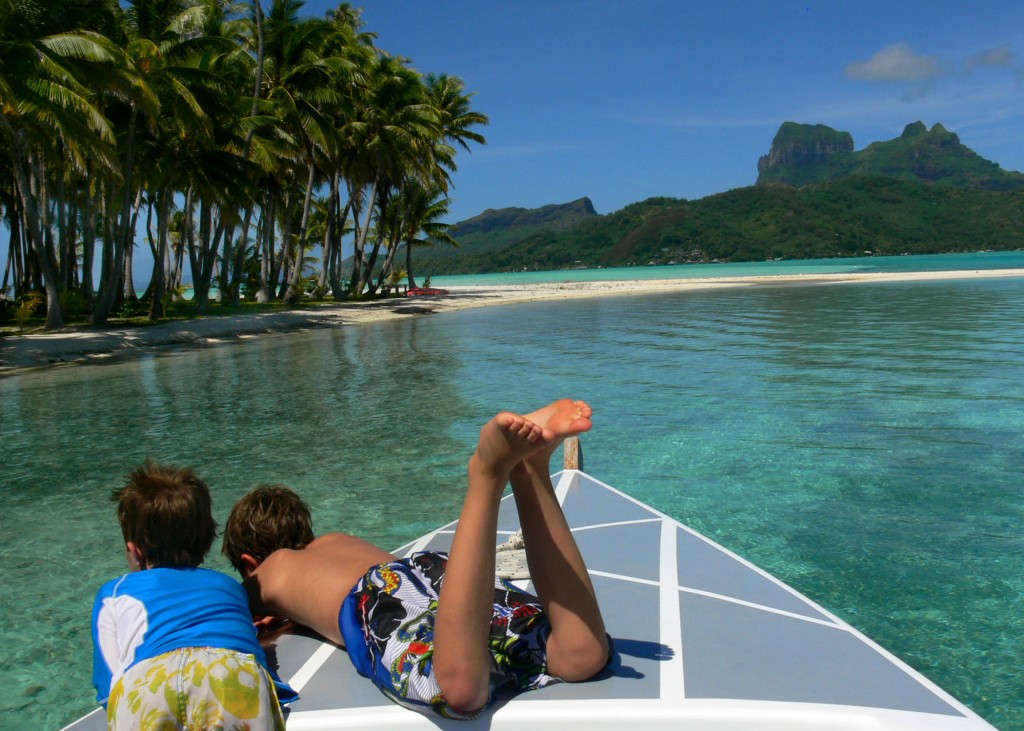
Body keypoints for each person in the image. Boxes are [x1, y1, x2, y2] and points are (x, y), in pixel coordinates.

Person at [222, 398, 611, 720]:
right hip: (428, 571)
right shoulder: (335, 541)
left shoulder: (270, 573)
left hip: (378, 599)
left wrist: (257, 613)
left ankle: (487, 475)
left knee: (458, 688)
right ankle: (529, 471)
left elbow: (211, 609)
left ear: (248, 561)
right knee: (581, 654)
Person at [91, 461, 297, 731]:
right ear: (207, 542)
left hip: (151, 681)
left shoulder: (113, 593)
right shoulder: (229, 587)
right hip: (231, 674)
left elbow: (108, 684)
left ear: (135, 551)